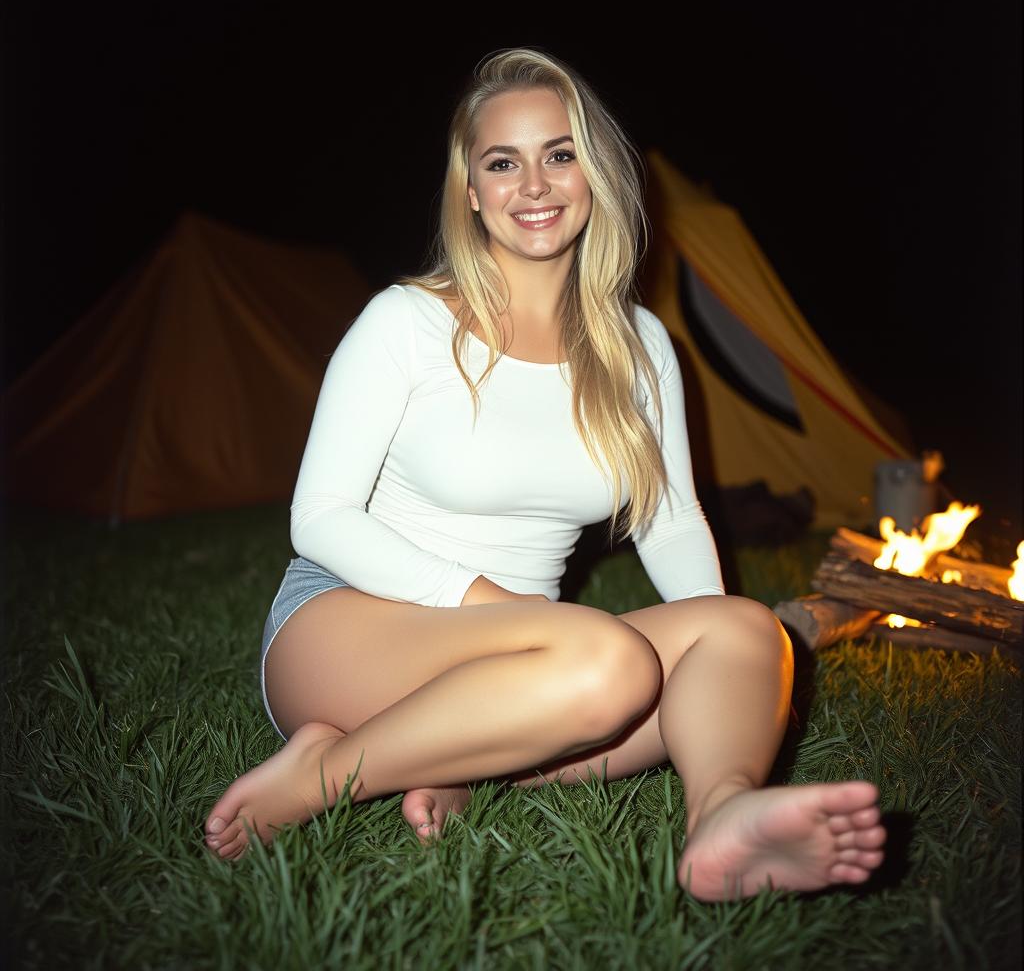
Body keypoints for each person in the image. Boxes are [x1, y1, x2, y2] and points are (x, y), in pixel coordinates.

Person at [203, 48, 886, 901]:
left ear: (595, 174)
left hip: (539, 659)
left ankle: (722, 815)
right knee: (608, 664)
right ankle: (322, 771)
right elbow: (322, 519)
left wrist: (710, 642)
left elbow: (669, 522)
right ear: (472, 192)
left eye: (560, 154)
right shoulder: (405, 323)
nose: (535, 183)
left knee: (749, 631)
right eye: (503, 161)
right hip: (351, 626)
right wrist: (504, 608)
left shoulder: (640, 348)